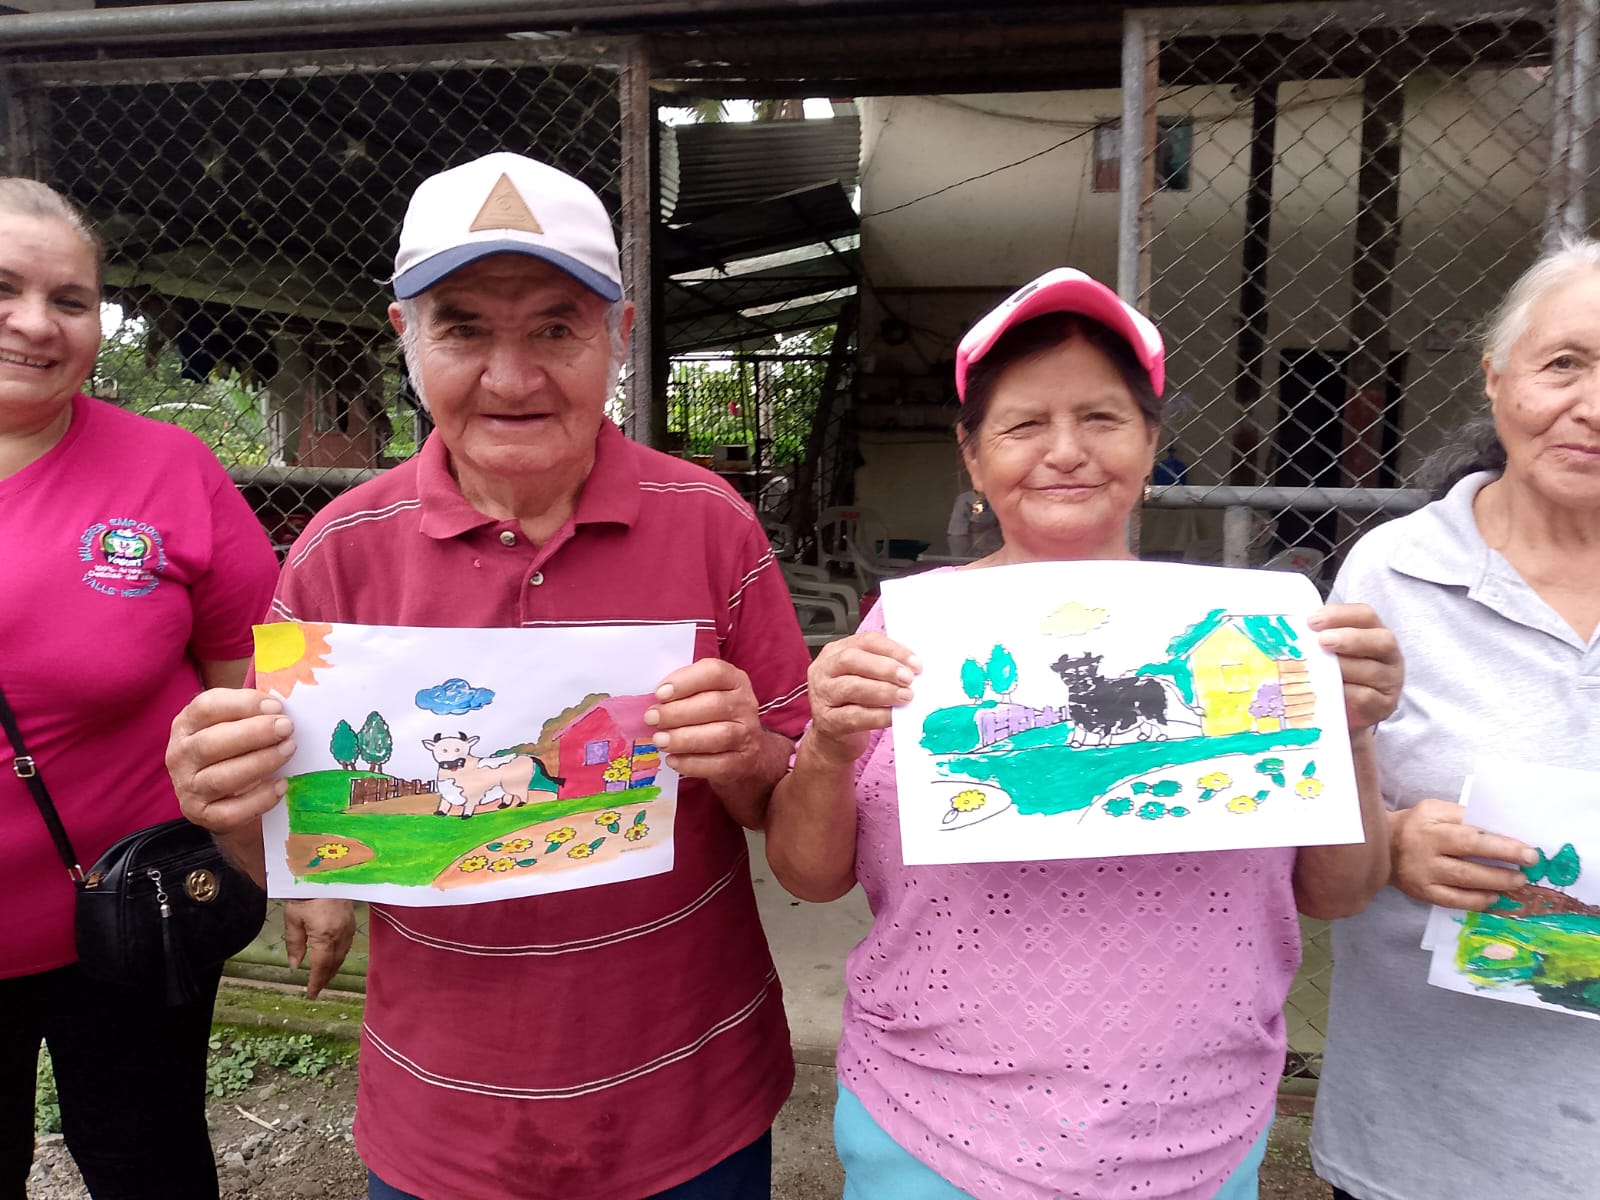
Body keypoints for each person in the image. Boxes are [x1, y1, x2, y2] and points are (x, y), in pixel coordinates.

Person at [164, 152, 812, 1200]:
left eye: (557, 328)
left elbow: (795, 818)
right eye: (463, 329)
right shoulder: (340, 552)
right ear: (406, 338)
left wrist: (750, 753)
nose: (512, 379)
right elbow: (298, 845)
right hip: (444, 1110)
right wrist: (231, 805)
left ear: (620, 336)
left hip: (688, 1094)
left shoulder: (714, 526)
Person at [763, 267, 1403, 1200]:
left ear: (1150, 443)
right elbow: (809, 875)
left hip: (1199, 1133)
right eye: (1024, 424)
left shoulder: (1260, 630)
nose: (1065, 452)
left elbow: (1338, 893)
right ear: (973, 456)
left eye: (1102, 418)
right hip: (932, 1130)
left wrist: (1351, 734)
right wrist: (824, 745)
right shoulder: (904, 634)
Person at [0, 179, 279, 1197]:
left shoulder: (168, 469)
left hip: (130, 913)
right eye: (5, 289)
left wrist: (299, 872)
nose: (37, 323)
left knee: (147, 1163)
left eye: (70, 300)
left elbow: (258, 695)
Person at [1310, 239, 1600, 1200]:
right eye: (1565, 363)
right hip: (1425, 1138)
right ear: (1496, 376)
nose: (1593, 407)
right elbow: (1308, 821)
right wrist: (1392, 841)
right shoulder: (1392, 573)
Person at [943, 487, 1001, 558]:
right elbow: (957, 534)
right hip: (971, 548)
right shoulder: (964, 500)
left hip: (999, 548)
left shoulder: (1002, 497)